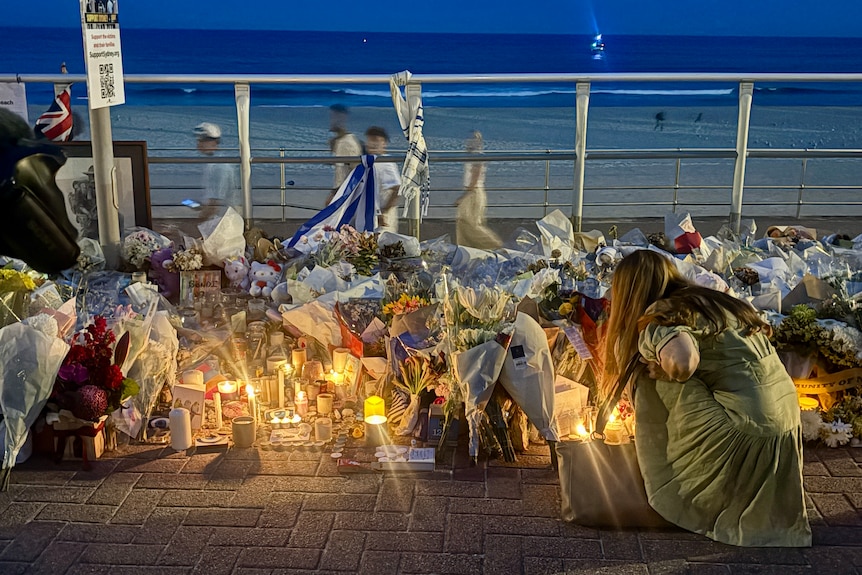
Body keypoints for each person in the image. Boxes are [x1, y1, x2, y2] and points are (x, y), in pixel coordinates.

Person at [602, 249, 811, 547]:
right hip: (783, 429)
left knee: (650, 372)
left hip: (743, 435)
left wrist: (653, 360)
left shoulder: (664, 314)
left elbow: (684, 362)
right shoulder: (714, 301)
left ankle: (673, 478)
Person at [456, 131, 501, 249]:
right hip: (472, 191)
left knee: (472, 226)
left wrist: (464, 196)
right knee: (463, 224)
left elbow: (475, 177)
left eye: (472, 140)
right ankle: (465, 249)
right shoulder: (472, 155)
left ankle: (495, 245)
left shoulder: (477, 156)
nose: (468, 142)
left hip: (473, 192)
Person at [193, 122, 241, 218]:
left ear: (214, 142)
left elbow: (214, 206)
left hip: (223, 220)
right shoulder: (213, 163)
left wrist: (196, 222)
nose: (199, 144)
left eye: (203, 140)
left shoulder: (218, 167)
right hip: (223, 216)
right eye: (198, 140)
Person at [364, 126, 400, 233]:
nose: (372, 144)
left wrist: (384, 212)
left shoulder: (385, 162)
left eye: (376, 141)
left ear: (384, 143)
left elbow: (396, 189)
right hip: (375, 214)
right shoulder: (373, 161)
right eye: (370, 140)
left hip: (383, 217)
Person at [327, 104, 363, 206]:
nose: (331, 120)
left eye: (334, 117)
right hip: (342, 192)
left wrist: (335, 193)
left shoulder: (347, 143)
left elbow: (354, 170)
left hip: (345, 194)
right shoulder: (340, 141)